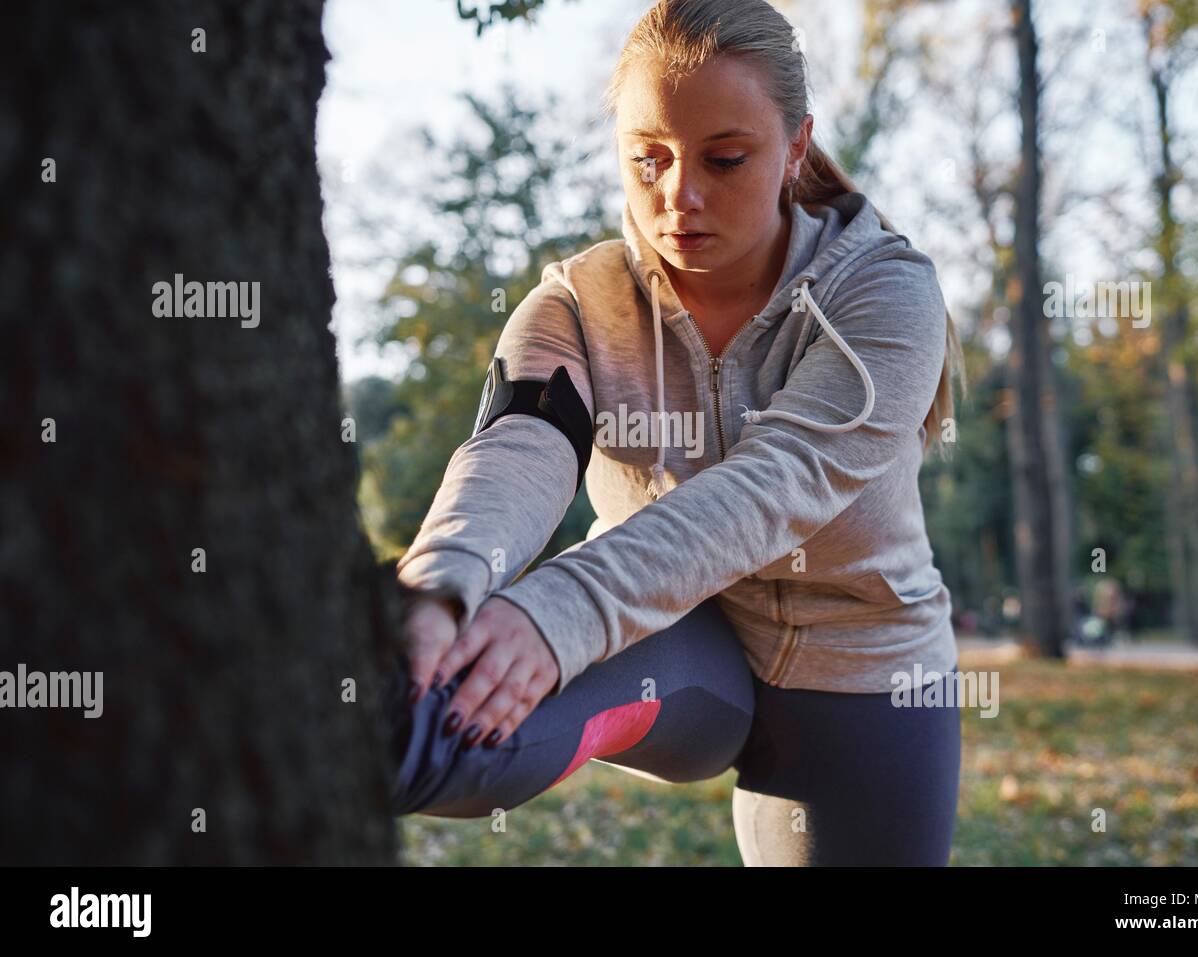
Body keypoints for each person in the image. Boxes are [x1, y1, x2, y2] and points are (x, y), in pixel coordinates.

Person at [390, 0, 968, 866]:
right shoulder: (577, 305)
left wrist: (559, 608)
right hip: (676, 639)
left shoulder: (884, 294)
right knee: (444, 710)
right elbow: (519, 449)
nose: (679, 197)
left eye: (724, 159)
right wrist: (439, 594)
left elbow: (777, 486)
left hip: (865, 672)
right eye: (647, 159)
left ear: (796, 147)